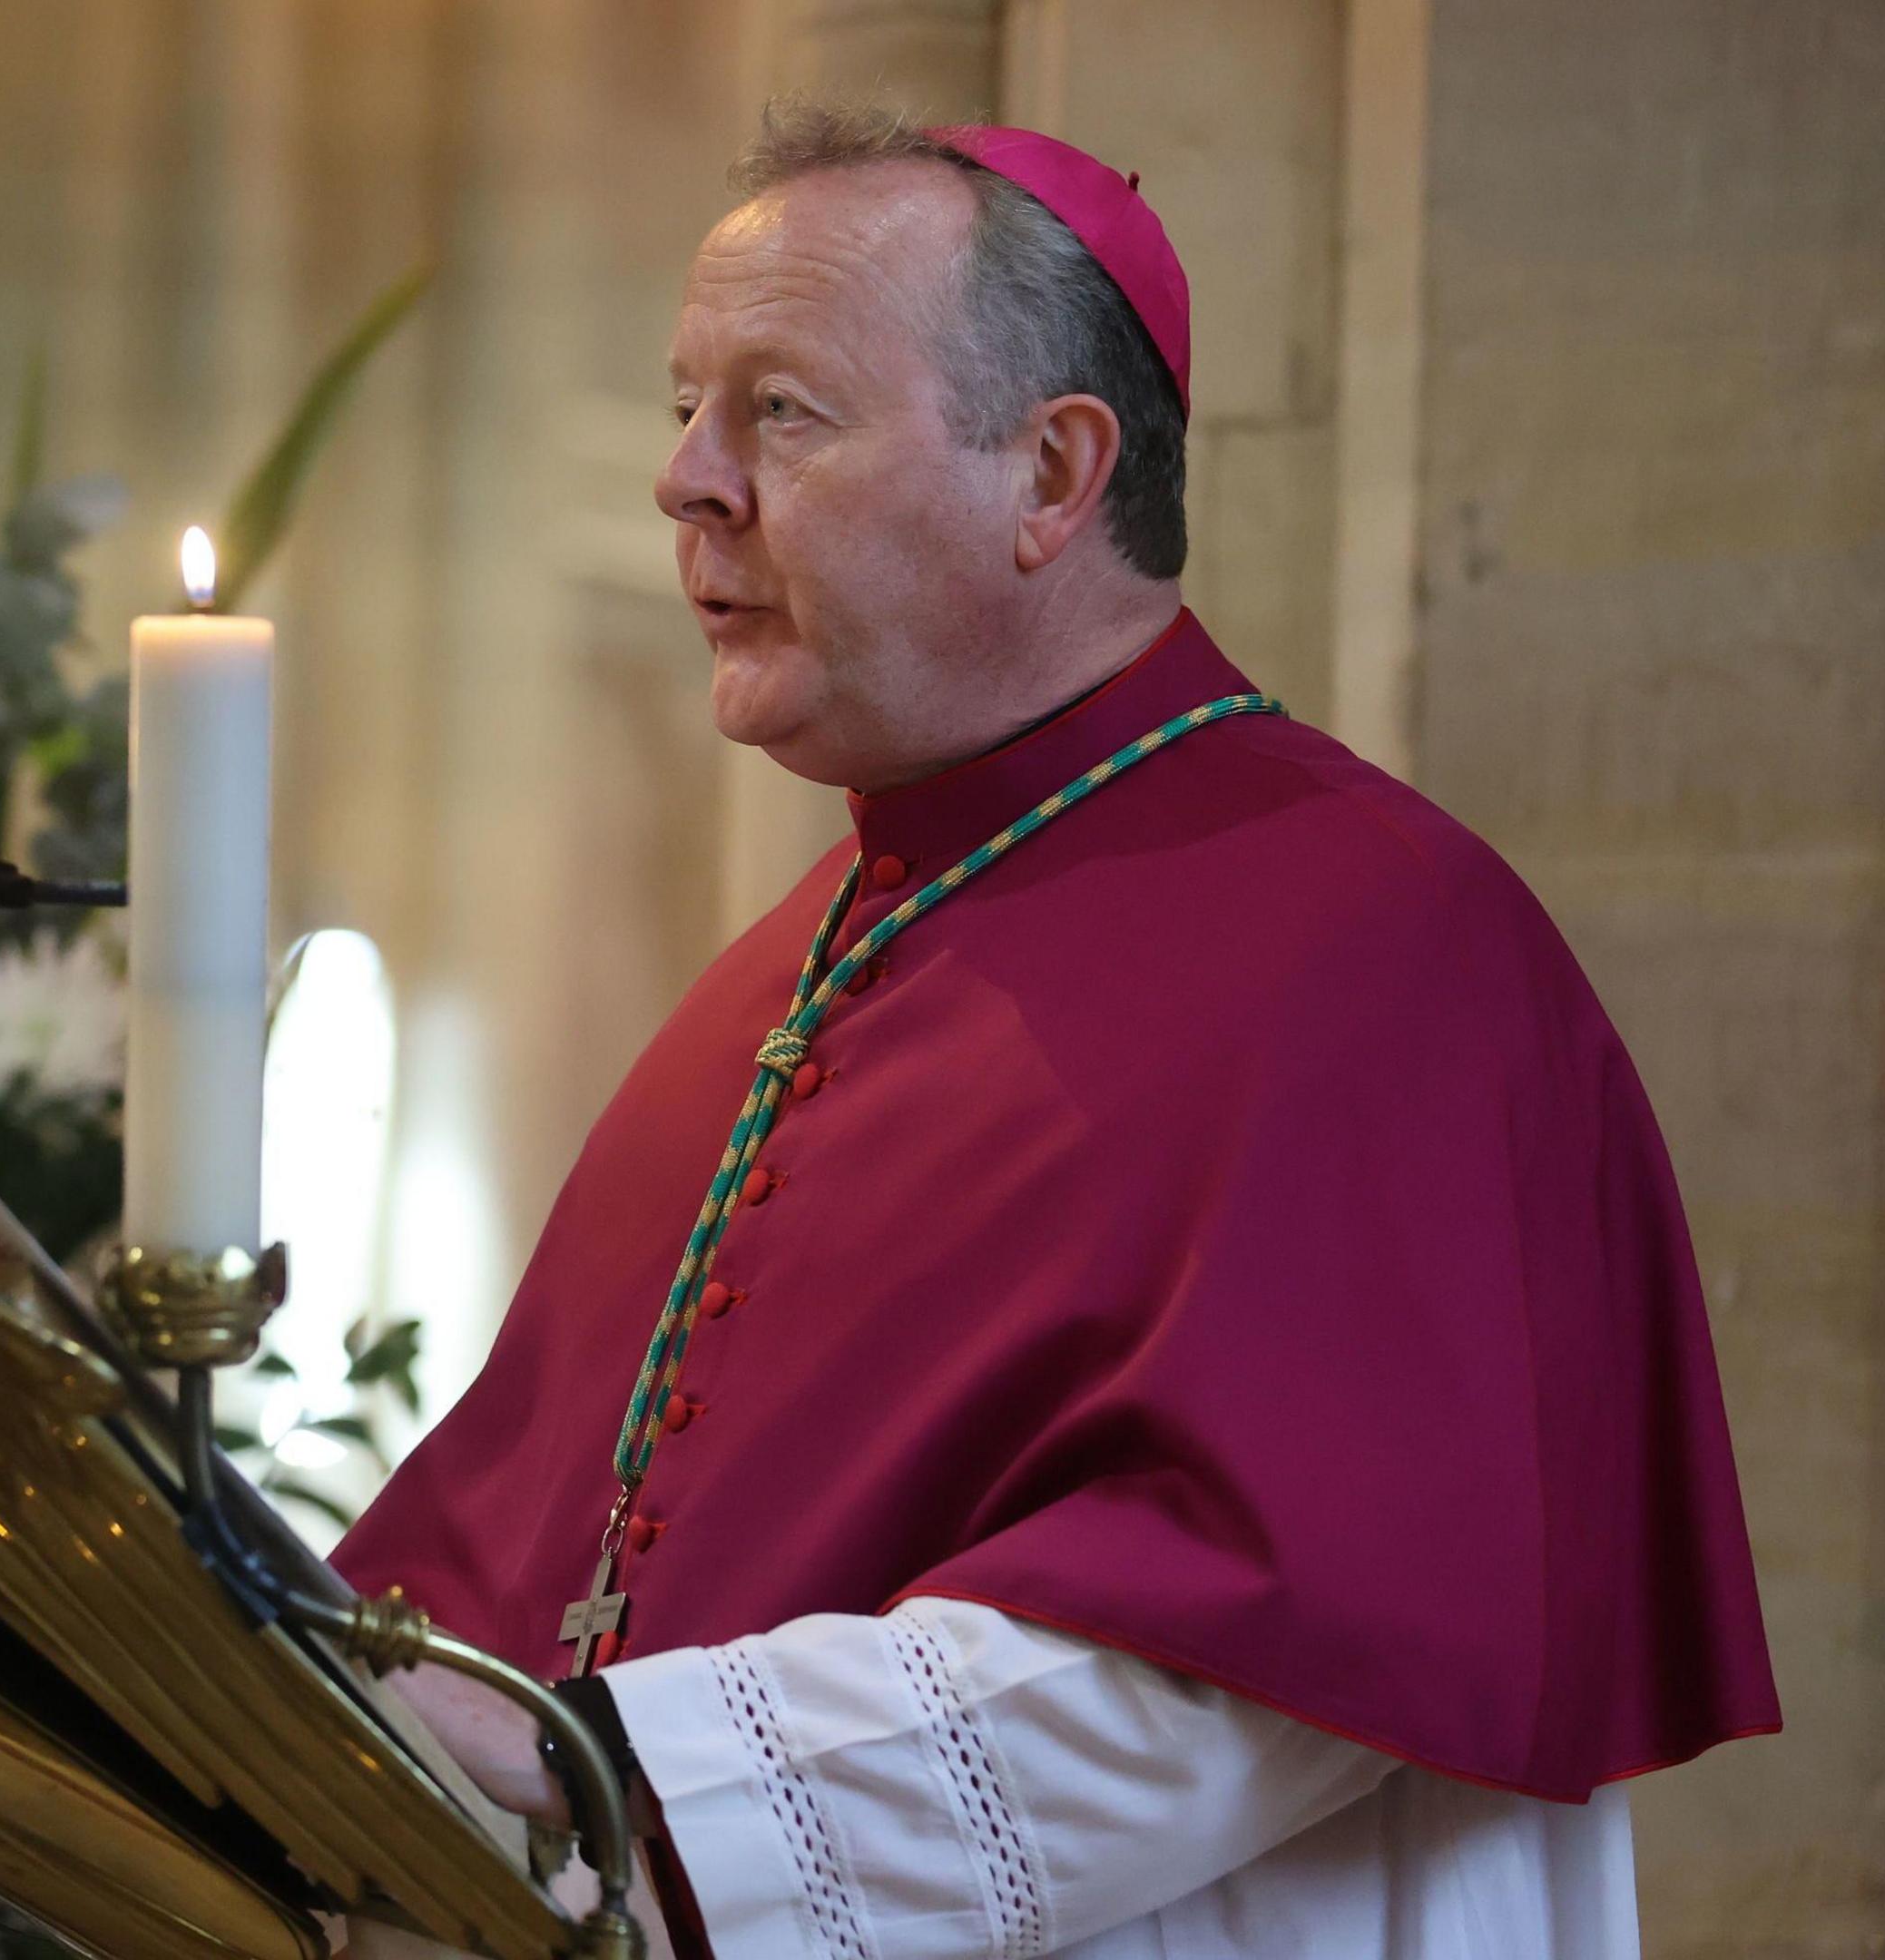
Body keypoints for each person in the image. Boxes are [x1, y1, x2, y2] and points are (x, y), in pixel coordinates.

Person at [332, 103, 1779, 1959]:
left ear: (1052, 473)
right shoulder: (800, 963)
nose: (688, 478)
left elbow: (1272, 1666)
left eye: (783, 410)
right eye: (687, 404)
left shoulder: (1379, 951)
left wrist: (598, 1771)